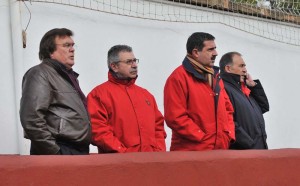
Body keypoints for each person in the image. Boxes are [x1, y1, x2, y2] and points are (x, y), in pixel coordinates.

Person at [20, 28, 91, 155]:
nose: (72, 49)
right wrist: (55, 152)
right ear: (50, 51)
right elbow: (31, 119)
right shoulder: (40, 73)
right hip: (60, 150)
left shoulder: (68, 76)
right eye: (66, 45)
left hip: (76, 150)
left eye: (73, 45)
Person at [87, 45, 166, 153]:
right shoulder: (99, 95)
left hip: (150, 164)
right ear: (114, 66)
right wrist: (123, 153)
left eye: (135, 61)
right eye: (129, 62)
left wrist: (159, 151)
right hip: (118, 165)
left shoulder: (146, 95)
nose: (134, 65)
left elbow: (158, 127)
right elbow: (98, 130)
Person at [164, 32, 235, 151]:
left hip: (220, 150)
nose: (216, 53)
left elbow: (228, 109)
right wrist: (202, 137)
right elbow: (175, 118)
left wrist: (228, 135)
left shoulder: (215, 77)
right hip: (192, 154)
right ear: (196, 52)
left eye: (215, 49)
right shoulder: (178, 78)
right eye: (210, 50)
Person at [219, 52, 269, 149]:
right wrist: (249, 143)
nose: (245, 70)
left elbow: (263, 107)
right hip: (245, 151)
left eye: (245, 66)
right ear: (228, 68)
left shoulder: (243, 89)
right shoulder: (223, 88)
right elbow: (227, 121)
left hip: (258, 149)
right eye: (241, 66)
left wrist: (254, 86)